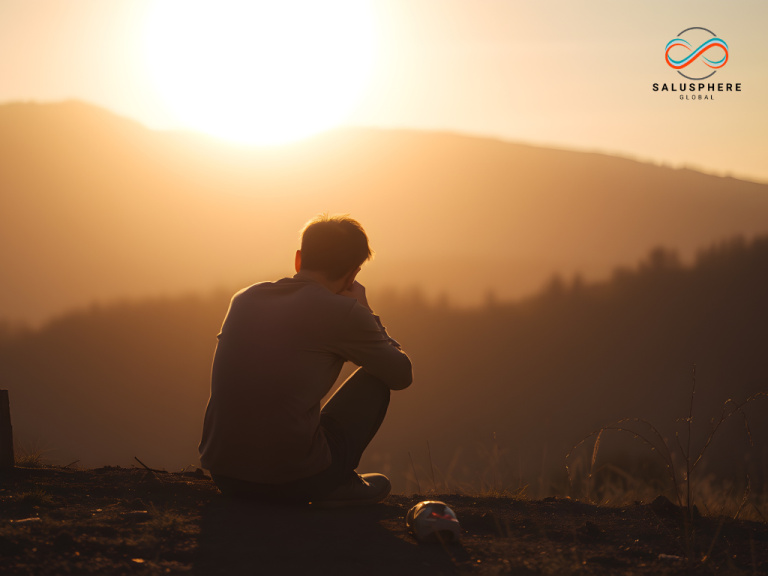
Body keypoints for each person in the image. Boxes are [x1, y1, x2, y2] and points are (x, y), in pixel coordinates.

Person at [199, 213, 413, 507]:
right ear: (353, 273)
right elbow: (401, 374)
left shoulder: (244, 298)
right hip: (293, 481)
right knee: (375, 381)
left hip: (226, 476)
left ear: (299, 259)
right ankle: (332, 484)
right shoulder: (344, 312)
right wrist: (367, 311)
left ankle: (319, 477)